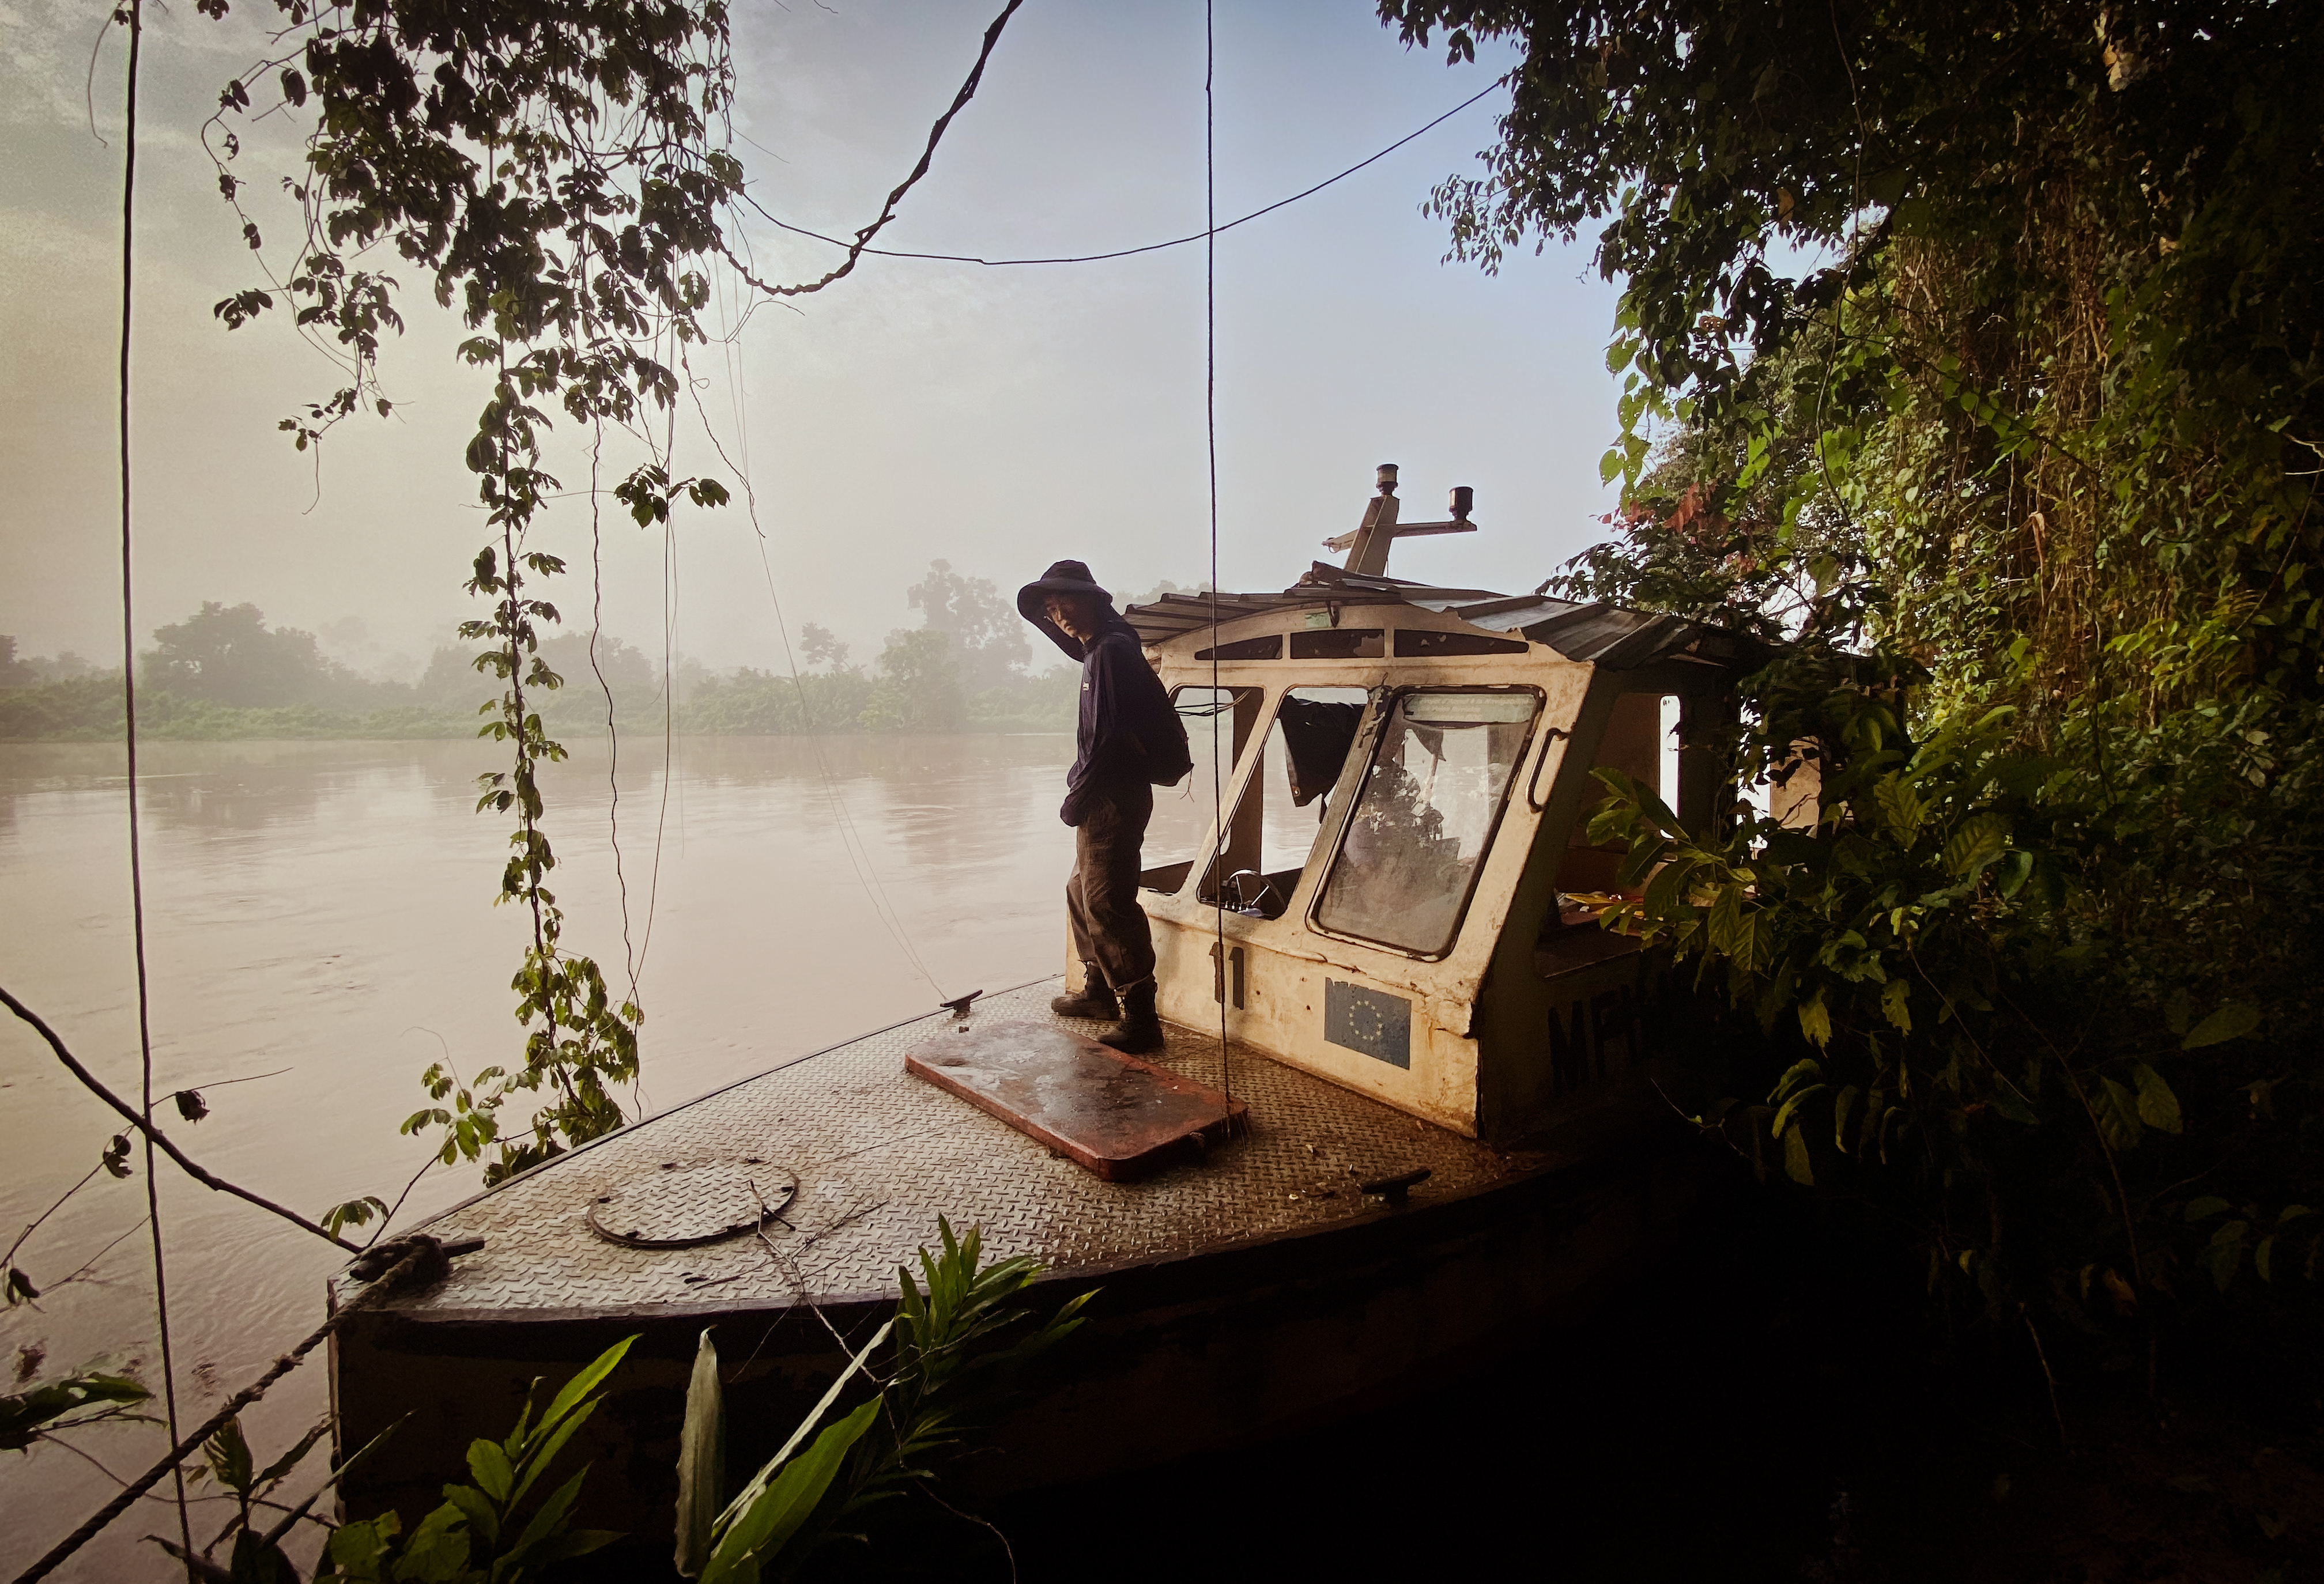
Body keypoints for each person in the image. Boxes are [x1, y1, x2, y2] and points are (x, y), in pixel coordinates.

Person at [1017, 560, 1190, 1054]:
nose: (1059, 614)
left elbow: (1109, 741)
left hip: (1113, 794)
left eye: (1065, 601)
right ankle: (1098, 990)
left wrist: (1076, 799)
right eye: (1051, 609)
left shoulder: (1112, 652)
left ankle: (1140, 1016)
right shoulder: (1102, 650)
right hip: (1105, 790)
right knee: (1080, 888)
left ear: (1093, 598)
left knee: (1107, 900)